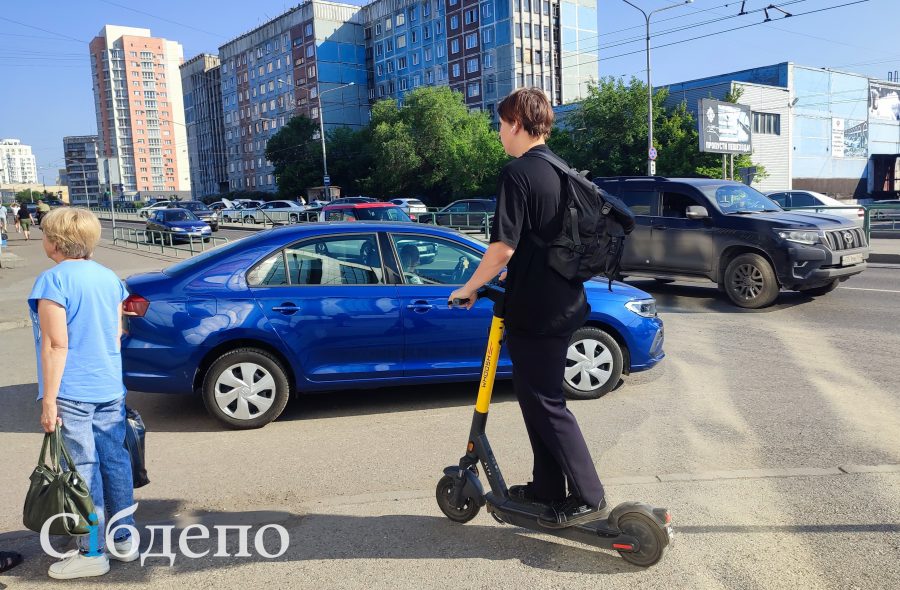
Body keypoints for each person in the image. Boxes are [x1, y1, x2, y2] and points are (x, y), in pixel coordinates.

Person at [448, 87, 608, 529]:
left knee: (546, 403)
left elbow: (502, 247)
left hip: (537, 312)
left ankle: (590, 496)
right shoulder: (561, 170)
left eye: (501, 123)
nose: (500, 132)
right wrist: (506, 274)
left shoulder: (518, 173)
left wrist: (469, 286)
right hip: (562, 300)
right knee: (536, 401)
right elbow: (540, 242)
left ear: (517, 123)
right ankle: (547, 488)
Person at [29, 207, 138, 580]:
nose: (42, 239)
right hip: (109, 385)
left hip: (72, 390)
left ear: (56, 242)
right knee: (115, 461)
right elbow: (118, 332)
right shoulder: (109, 278)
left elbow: (55, 345)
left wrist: (48, 401)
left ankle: (91, 551)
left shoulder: (52, 282)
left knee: (82, 469)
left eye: (44, 234)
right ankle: (124, 538)